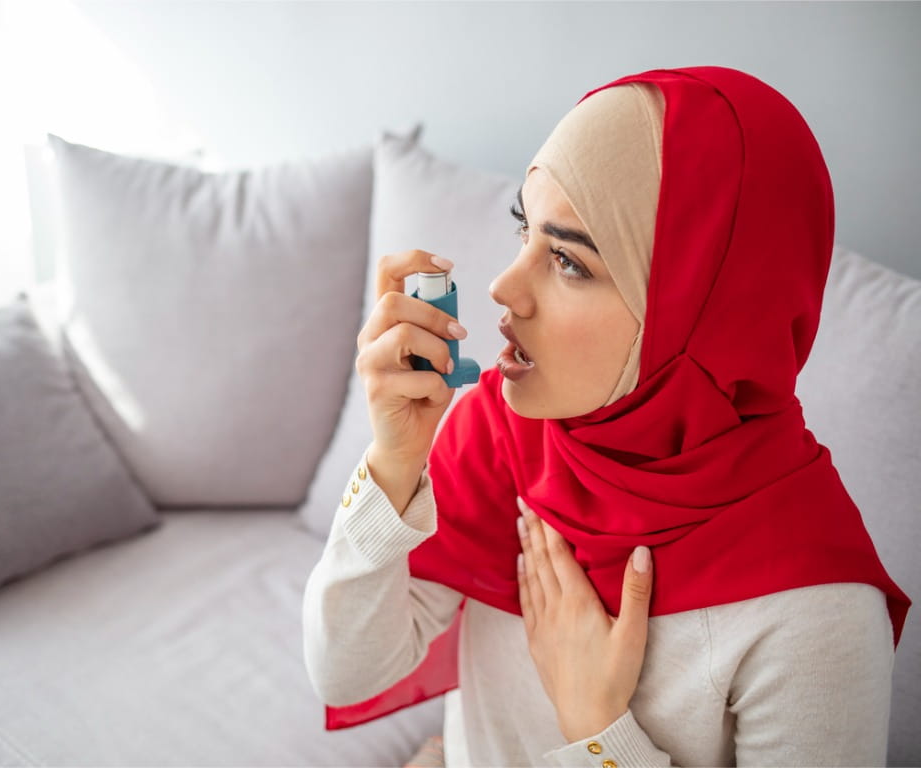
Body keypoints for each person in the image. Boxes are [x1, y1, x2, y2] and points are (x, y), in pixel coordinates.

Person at [302, 66, 911, 767]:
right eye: (523, 228)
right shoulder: (498, 433)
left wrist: (597, 729)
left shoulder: (819, 611)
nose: (504, 286)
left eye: (567, 260)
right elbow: (348, 673)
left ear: (704, 310)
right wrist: (392, 464)